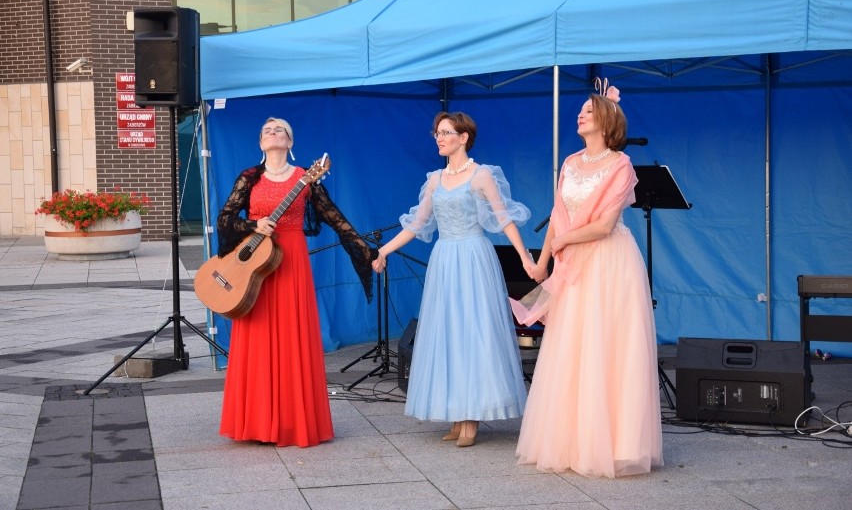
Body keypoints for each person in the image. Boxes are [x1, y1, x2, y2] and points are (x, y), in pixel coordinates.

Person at [513, 80, 663, 477]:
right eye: (580, 110)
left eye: (589, 111)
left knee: (609, 348)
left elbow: (604, 224)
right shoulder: (570, 162)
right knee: (572, 347)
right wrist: (543, 261)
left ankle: (615, 445)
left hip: (609, 262)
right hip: (572, 263)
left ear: (607, 120)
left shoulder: (620, 165)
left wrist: (562, 241)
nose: (580, 115)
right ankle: (572, 441)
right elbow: (557, 214)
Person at [372, 111, 535, 448]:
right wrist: (383, 251)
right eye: (437, 133)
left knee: (473, 332)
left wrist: (524, 256)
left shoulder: (481, 175)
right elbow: (416, 225)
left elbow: (504, 219)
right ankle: (459, 415)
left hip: (474, 258)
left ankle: (472, 417)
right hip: (445, 260)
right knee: (448, 334)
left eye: (446, 132)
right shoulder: (434, 179)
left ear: (464, 137)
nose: (439, 138)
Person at [217, 117, 375, 448]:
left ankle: (293, 423)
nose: (271, 134)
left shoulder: (305, 178)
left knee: (293, 335)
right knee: (257, 333)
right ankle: (255, 422)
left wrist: (364, 250)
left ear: (289, 142)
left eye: (278, 131)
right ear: (261, 143)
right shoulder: (249, 177)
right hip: (257, 260)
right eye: (265, 131)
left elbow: (334, 217)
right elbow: (226, 218)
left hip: (291, 259)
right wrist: (253, 225)